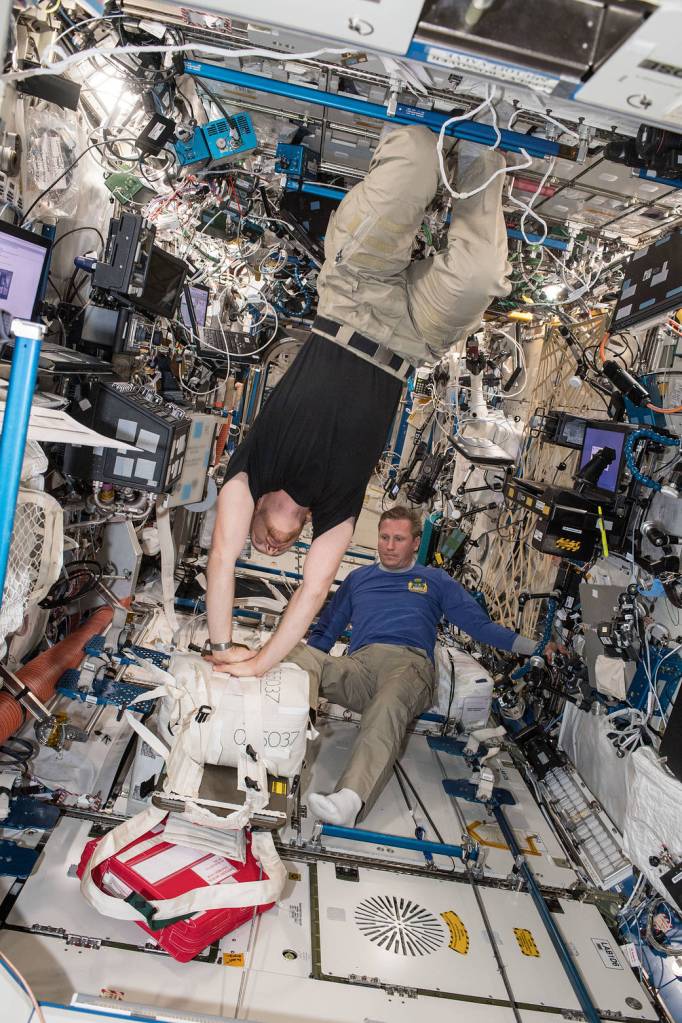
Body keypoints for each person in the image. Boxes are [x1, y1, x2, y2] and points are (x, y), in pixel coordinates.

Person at [207, 123, 512, 679]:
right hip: (409, 341)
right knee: (481, 275)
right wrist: (261, 666)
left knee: (417, 155)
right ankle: (479, 148)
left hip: (349, 301)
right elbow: (315, 588)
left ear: (250, 519)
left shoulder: (248, 475)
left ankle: (424, 125)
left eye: (260, 545)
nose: (270, 549)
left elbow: (220, 561)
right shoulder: (336, 517)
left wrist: (226, 646)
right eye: (278, 553)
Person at [288, 505, 538, 826]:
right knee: (295, 655)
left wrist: (534, 647)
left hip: (410, 666)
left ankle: (349, 798)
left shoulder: (434, 580)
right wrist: (308, 676)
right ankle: (279, 734)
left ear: (416, 543)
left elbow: (480, 627)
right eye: (384, 537)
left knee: (389, 705)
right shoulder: (358, 579)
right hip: (360, 666)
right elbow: (325, 633)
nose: (389, 546)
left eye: (398, 539)